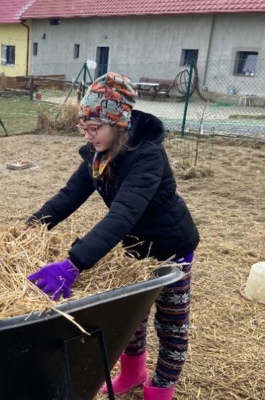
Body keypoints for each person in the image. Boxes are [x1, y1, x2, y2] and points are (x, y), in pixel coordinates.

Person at [27, 72, 199, 400]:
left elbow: (122, 215)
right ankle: (134, 372)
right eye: (85, 128)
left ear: (118, 123)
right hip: (136, 249)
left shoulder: (147, 157)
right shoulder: (98, 156)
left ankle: (161, 389)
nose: (89, 136)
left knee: (171, 324)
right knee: (132, 318)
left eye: (95, 128)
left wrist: (73, 264)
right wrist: (26, 230)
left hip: (171, 249)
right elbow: (68, 197)